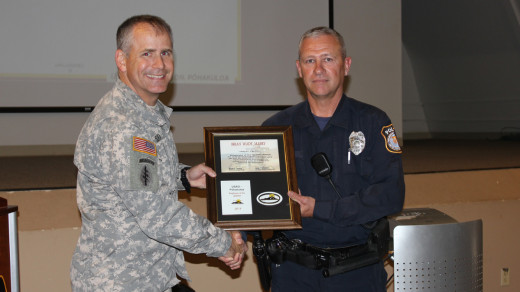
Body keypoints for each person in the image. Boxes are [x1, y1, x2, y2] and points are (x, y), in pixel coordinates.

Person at [70, 15, 247, 291]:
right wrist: (222, 243)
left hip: (154, 276)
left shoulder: (143, 113)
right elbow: (157, 214)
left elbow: (141, 175)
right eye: (147, 54)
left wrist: (185, 176)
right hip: (121, 282)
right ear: (121, 60)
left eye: (165, 53)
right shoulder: (123, 125)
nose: (160, 65)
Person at [261, 26, 405, 291]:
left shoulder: (373, 123)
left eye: (328, 59)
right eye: (309, 60)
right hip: (293, 275)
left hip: (357, 273)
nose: (318, 69)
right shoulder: (276, 128)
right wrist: (236, 235)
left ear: (346, 65)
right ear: (299, 68)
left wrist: (319, 208)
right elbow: (257, 198)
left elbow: (390, 194)